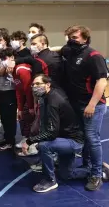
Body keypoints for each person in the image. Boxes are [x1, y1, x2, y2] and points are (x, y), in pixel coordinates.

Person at [22, 74, 108, 193]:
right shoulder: (47, 96)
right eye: (33, 85)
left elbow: (51, 133)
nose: (34, 87)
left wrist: (29, 141)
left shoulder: (53, 100)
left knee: (44, 145)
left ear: (48, 85)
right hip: (63, 138)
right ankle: (99, 171)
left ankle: (50, 181)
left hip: (73, 141)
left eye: (38, 84)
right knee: (66, 175)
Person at [61, 25, 108, 191]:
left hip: (92, 105)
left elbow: (102, 81)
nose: (71, 41)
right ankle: (88, 167)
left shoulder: (94, 56)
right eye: (69, 38)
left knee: (92, 137)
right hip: (76, 104)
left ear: (85, 39)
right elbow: (57, 49)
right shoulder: (69, 52)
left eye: (75, 38)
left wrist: (92, 104)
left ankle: (96, 175)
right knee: (83, 137)